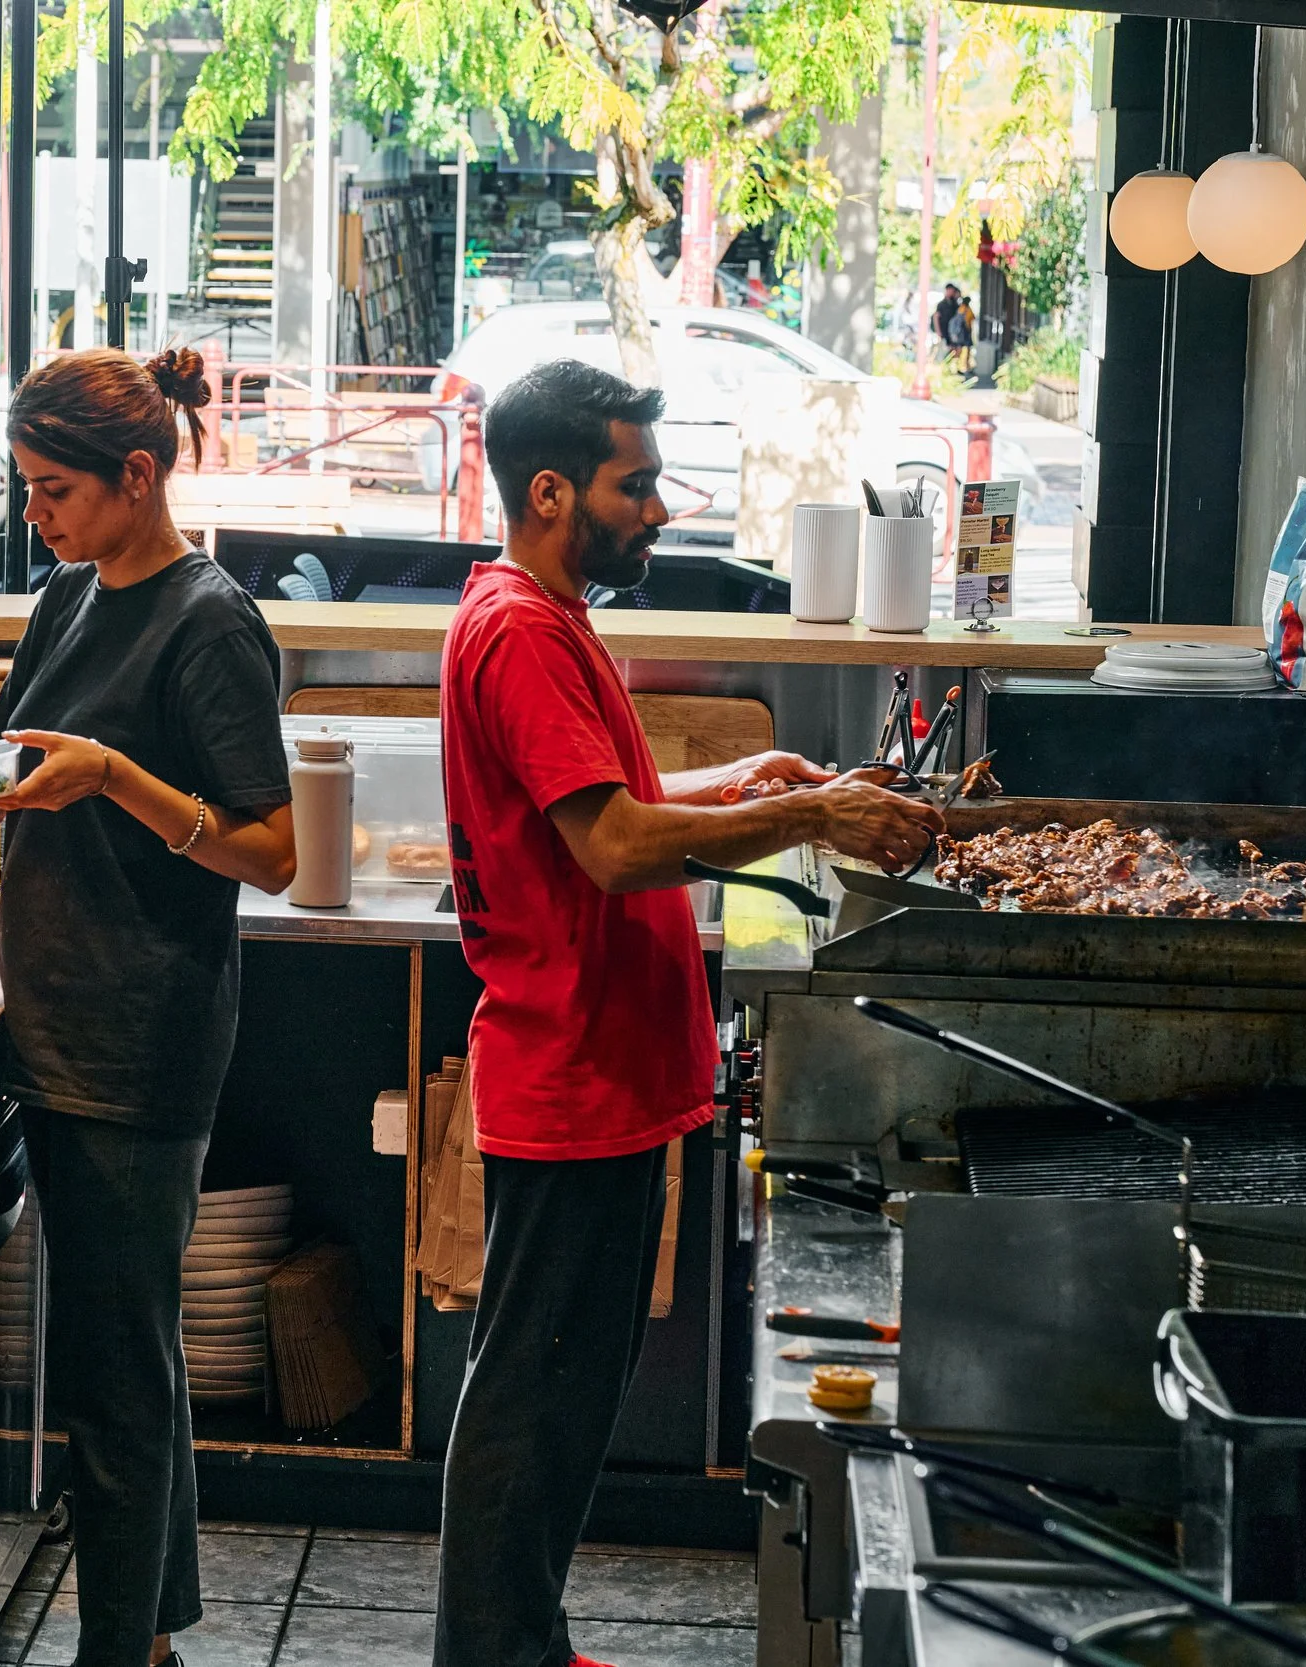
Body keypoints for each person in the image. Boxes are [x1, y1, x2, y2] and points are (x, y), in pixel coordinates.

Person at [431, 359, 944, 1667]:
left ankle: (526, 1644)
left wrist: (744, 779)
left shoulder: (548, 615)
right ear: (552, 491)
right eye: (637, 483)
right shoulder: (520, 631)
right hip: (571, 1069)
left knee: (559, 1399)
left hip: (600, 1067)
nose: (659, 509)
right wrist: (813, 811)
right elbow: (612, 848)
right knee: (528, 1403)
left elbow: (611, 804)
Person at [0, 346, 296, 1667]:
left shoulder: (209, 622)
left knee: (118, 1371)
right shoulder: (70, 593)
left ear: (137, 474)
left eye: (54, 490)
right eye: (26, 487)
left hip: (136, 1034)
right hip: (56, 1016)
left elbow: (271, 851)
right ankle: (146, 1636)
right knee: (125, 1358)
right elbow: (6, 772)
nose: (34, 513)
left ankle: (119, 1647)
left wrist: (116, 778)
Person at [933, 284, 974, 377]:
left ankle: (952, 369)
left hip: (953, 333)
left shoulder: (955, 304)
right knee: (947, 351)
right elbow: (936, 317)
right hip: (944, 332)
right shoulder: (942, 304)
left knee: (956, 351)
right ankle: (945, 370)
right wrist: (938, 331)